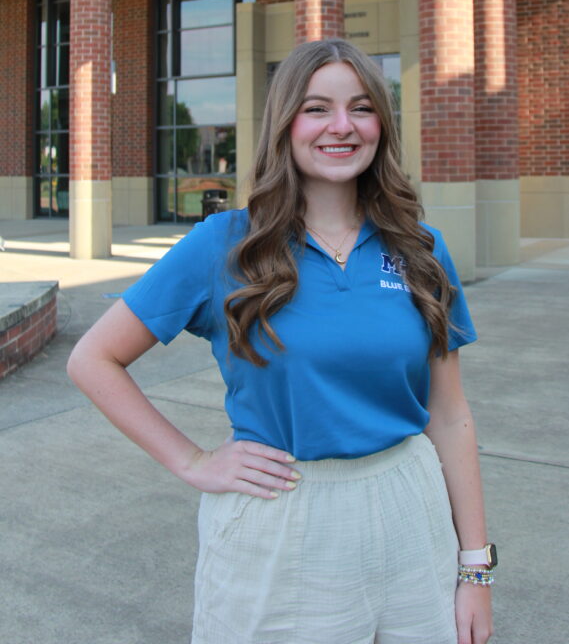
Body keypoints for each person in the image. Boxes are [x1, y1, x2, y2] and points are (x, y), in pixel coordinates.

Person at [67, 38, 495, 644]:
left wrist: (475, 568)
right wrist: (191, 461)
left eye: (362, 107)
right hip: (284, 514)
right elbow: (94, 359)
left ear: (382, 123)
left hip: (411, 509)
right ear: (285, 124)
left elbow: (450, 417)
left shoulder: (421, 249)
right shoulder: (227, 244)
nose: (342, 126)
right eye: (317, 108)